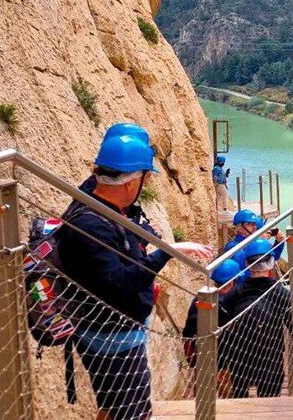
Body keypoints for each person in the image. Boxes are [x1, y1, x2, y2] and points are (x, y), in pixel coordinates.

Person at [59, 133, 215, 420]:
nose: (147, 185)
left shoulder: (94, 201)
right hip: (113, 338)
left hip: (103, 329)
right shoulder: (93, 225)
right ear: (131, 182)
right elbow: (121, 282)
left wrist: (141, 235)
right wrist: (166, 251)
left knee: (111, 407)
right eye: (145, 178)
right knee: (134, 413)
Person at [227, 238, 292, 399]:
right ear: (271, 262)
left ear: (247, 263)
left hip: (240, 359)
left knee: (240, 400)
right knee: (268, 401)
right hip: (270, 358)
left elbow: (222, 325)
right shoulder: (281, 294)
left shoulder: (234, 293)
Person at [182, 259, 242, 396]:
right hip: (226, 359)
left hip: (201, 354)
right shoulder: (232, 303)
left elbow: (188, 330)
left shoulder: (200, 298)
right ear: (233, 280)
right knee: (227, 392)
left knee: (202, 391)